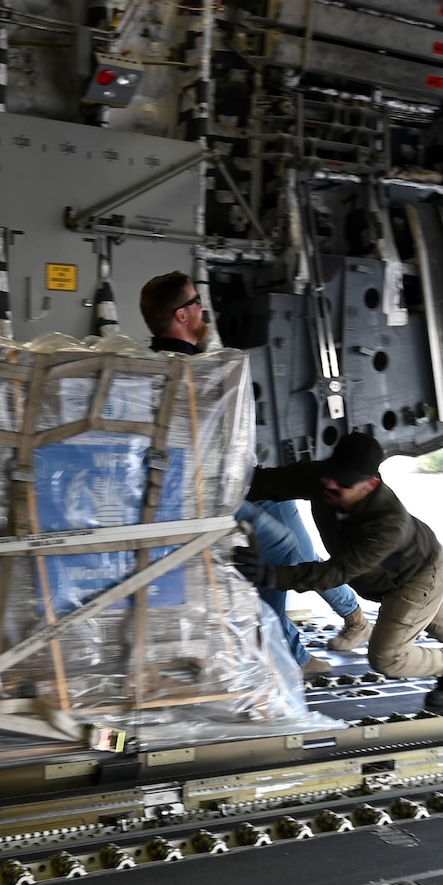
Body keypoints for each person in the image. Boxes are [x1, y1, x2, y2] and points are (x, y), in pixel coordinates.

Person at [138, 270, 371, 673]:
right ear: (181, 315)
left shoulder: (201, 362)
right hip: (211, 493)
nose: (202, 309)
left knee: (297, 542)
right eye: (196, 303)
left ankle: (354, 617)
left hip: (246, 477)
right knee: (282, 553)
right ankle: (291, 656)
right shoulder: (177, 372)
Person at [234, 432, 443, 714]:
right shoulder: (324, 480)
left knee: (387, 658)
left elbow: (335, 571)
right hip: (399, 571)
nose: (331, 484)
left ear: (370, 484)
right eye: (330, 475)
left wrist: (273, 576)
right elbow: (265, 483)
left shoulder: (387, 524)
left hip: (417, 578)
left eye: (343, 482)